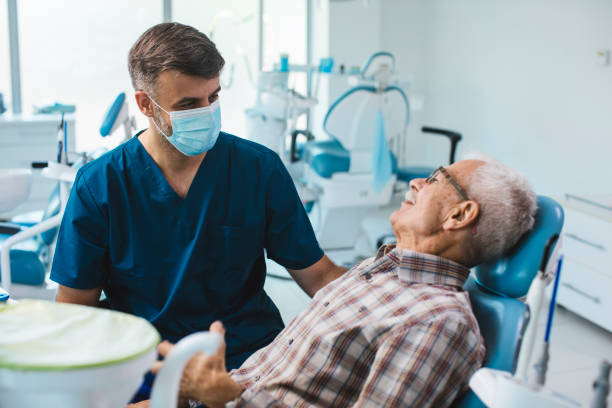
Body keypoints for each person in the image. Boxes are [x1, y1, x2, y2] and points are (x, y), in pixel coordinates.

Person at [49, 22, 346, 398]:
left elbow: (318, 275)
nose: (206, 112)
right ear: (145, 104)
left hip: (249, 359)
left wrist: (390, 296)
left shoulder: (258, 169)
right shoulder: (101, 185)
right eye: (188, 104)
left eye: (213, 97)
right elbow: (75, 314)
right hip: (147, 366)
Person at [129, 157, 538, 408]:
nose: (415, 183)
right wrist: (196, 391)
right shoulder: (377, 271)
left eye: (434, 179)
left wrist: (221, 400)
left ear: (460, 216)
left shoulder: (438, 323)